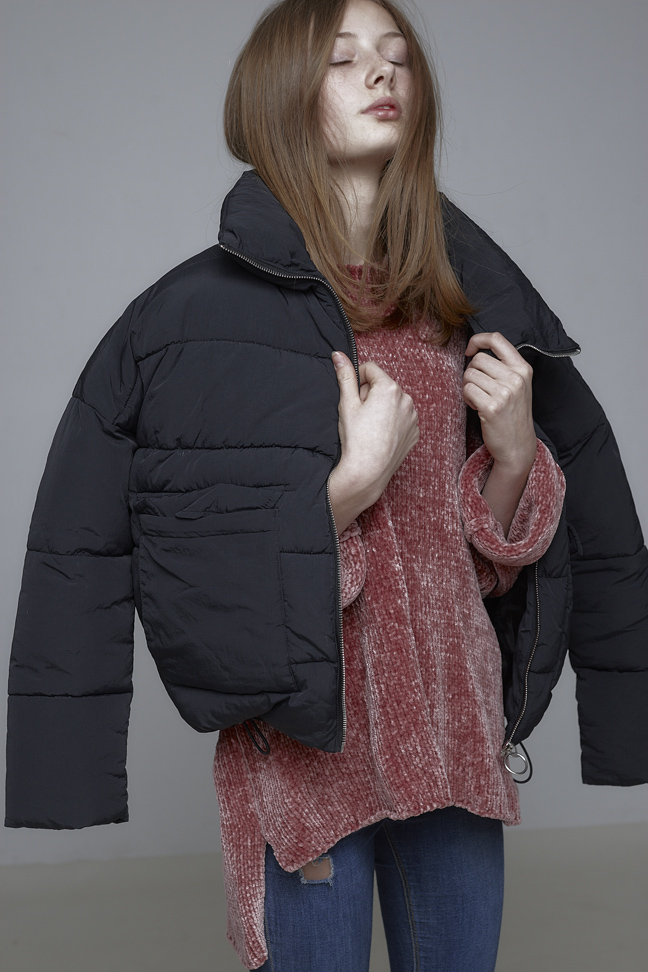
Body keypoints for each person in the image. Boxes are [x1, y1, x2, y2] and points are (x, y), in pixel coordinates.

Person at [4, 1, 647, 970]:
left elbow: (475, 579)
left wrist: (514, 456)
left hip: (453, 748)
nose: (382, 74)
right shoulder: (190, 324)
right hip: (309, 768)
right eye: (344, 60)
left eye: (397, 58)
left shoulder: (462, 313)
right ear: (280, 96)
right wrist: (351, 485)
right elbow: (180, 574)